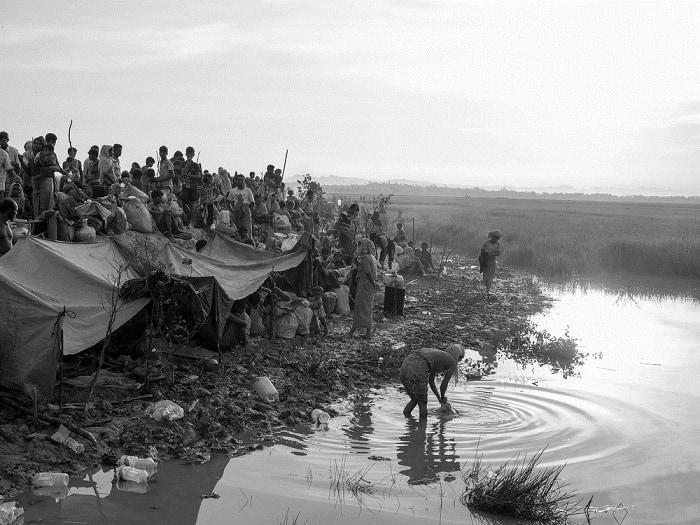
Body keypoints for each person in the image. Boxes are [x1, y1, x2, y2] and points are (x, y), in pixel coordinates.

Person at [400, 344, 465, 419]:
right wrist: (443, 397)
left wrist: (439, 399)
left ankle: (408, 421)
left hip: (406, 365)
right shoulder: (452, 361)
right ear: (459, 357)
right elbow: (443, 385)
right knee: (422, 403)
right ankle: (422, 427)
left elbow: (431, 381)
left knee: (414, 400)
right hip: (419, 367)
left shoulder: (440, 356)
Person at [346, 238, 379, 340]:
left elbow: (368, 272)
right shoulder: (372, 257)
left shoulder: (365, 258)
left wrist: (373, 283)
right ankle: (368, 332)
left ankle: (353, 330)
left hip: (365, 285)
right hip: (368, 285)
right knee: (367, 307)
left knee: (360, 307)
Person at [227, 172, 255, 240]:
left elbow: (252, 202)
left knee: (247, 228)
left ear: (244, 181)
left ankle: (248, 240)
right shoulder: (233, 191)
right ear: (236, 181)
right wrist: (232, 210)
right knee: (237, 227)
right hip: (237, 210)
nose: (240, 181)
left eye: (242, 180)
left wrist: (248, 211)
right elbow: (228, 202)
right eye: (239, 180)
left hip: (246, 209)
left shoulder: (248, 190)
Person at [480, 230, 502, 295]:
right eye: (496, 237)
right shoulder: (486, 243)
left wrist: (491, 254)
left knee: (491, 275)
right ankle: (485, 288)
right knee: (486, 274)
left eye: (498, 238)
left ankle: (488, 290)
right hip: (486, 261)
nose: (496, 239)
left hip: (492, 261)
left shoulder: (498, 244)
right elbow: (482, 251)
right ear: (493, 236)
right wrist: (486, 253)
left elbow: (498, 252)